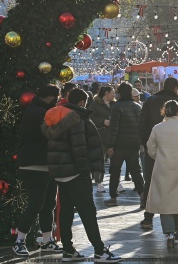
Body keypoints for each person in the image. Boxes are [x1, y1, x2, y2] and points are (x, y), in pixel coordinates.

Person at [42, 88, 121, 262]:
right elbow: (79, 148)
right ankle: (99, 250)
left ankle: (68, 250)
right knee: (87, 212)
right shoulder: (76, 119)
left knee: (66, 211)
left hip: (61, 172)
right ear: (82, 102)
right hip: (76, 173)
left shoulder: (57, 117)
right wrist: (84, 170)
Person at [138, 77, 178, 229]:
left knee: (151, 181)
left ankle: (148, 217)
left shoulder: (150, 101)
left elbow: (141, 124)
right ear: (176, 88)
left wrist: (148, 144)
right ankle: (175, 220)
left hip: (155, 150)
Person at [13, 85, 62, 256]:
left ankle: (48, 240)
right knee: (36, 204)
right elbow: (50, 134)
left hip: (47, 165)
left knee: (48, 204)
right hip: (34, 164)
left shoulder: (41, 110)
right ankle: (19, 240)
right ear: (52, 98)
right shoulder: (36, 113)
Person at [145, 100, 178, 248]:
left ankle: (169, 232)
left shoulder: (157, 128)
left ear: (164, 111)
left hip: (162, 168)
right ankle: (176, 229)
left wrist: (159, 157)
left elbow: (151, 148)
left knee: (165, 201)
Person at [105, 83, 144, 207]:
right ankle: (143, 195)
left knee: (115, 170)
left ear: (120, 93)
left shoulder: (117, 107)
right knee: (136, 171)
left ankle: (113, 197)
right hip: (134, 144)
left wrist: (110, 145)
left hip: (119, 145)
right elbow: (141, 127)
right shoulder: (138, 107)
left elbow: (113, 127)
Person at [88, 85, 115, 193]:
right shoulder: (95, 105)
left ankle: (116, 182)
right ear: (106, 93)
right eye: (112, 92)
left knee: (115, 161)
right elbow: (90, 118)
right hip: (101, 136)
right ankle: (99, 182)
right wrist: (102, 121)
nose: (114, 94)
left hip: (113, 137)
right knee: (100, 160)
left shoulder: (114, 105)